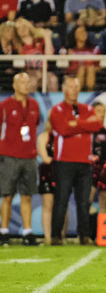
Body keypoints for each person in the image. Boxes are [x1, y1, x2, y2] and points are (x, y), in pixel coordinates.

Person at [49, 76, 103, 245]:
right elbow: (63, 129)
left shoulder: (87, 108)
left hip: (85, 162)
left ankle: (84, 236)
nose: (74, 90)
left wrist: (75, 123)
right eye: (71, 86)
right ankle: (56, 236)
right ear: (64, 89)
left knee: (84, 202)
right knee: (61, 199)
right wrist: (84, 124)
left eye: (76, 86)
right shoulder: (57, 109)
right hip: (64, 162)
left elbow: (96, 125)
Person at [0, 73, 40, 246]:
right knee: (7, 195)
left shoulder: (35, 105)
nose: (26, 85)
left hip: (29, 156)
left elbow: (34, 124)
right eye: (22, 82)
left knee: (27, 196)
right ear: (14, 85)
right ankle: (4, 231)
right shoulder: (5, 105)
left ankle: (27, 231)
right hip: (9, 155)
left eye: (27, 82)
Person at [14, 18, 58, 92]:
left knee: (53, 79)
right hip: (27, 73)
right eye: (19, 28)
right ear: (16, 32)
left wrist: (47, 38)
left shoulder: (40, 40)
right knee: (31, 81)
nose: (22, 29)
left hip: (44, 71)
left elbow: (49, 55)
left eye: (24, 26)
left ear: (29, 27)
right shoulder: (16, 46)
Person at [88, 102, 106, 215]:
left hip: (104, 167)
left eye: (104, 111)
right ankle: (84, 230)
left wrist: (104, 166)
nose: (102, 114)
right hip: (90, 167)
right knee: (87, 199)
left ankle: (103, 231)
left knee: (104, 201)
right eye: (99, 111)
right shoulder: (88, 131)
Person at [66, 25, 100, 91]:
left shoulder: (94, 49)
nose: (84, 33)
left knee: (90, 68)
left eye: (85, 31)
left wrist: (90, 68)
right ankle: (77, 93)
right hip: (73, 75)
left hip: (91, 73)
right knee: (82, 69)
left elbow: (98, 66)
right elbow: (64, 67)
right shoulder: (69, 50)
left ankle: (90, 92)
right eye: (81, 32)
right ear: (75, 35)